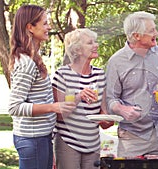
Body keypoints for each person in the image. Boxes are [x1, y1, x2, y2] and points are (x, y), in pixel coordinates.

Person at [8, 5, 76, 169]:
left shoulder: (33, 58)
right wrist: (53, 107)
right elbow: (14, 106)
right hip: (32, 140)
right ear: (30, 27)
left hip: (40, 138)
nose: (49, 27)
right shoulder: (26, 63)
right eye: (45, 23)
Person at [105, 11, 158, 157]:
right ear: (136, 36)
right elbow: (110, 99)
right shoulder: (116, 62)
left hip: (157, 135)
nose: (157, 33)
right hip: (131, 138)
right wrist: (122, 109)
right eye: (152, 31)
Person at [52, 28, 114, 169]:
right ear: (78, 50)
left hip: (92, 143)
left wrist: (110, 120)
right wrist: (79, 96)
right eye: (90, 43)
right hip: (68, 142)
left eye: (95, 41)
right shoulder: (62, 75)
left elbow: (102, 114)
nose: (96, 45)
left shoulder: (99, 75)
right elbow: (60, 115)